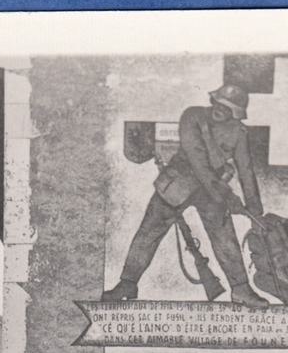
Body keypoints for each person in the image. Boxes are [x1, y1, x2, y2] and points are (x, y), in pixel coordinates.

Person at [103, 83, 269, 307]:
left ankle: (241, 290)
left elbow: (245, 168)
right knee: (149, 232)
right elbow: (196, 157)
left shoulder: (238, 132)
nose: (221, 109)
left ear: (236, 112)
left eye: (228, 107)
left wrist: (254, 208)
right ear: (213, 101)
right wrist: (226, 196)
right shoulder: (192, 116)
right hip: (180, 181)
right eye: (219, 103)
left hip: (213, 190)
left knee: (225, 239)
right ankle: (127, 283)